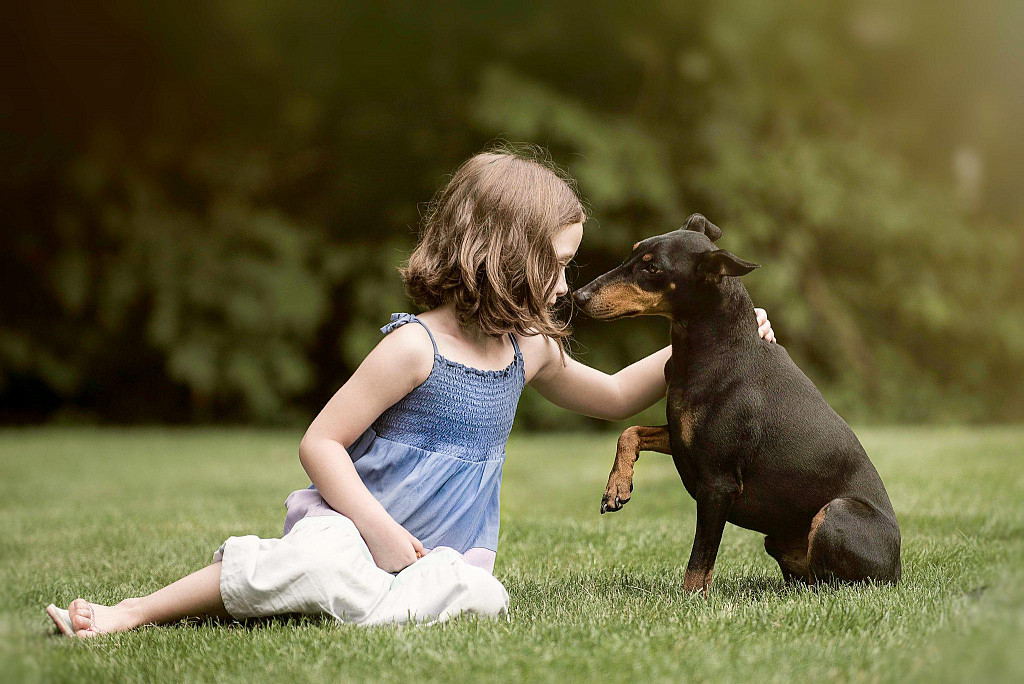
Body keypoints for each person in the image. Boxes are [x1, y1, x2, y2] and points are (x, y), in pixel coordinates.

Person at [46, 146, 776, 636]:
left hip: (443, 556)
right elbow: (320, 442)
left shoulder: (529, 350)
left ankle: (351, 601)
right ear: (501, 255)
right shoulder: (414, 347)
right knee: (312, 561)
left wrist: (728, 340)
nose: (566, 285)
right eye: (556, 264)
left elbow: (616, 396)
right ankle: (132, 613)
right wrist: (376, 530)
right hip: (354, 530)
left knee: (480, 599)